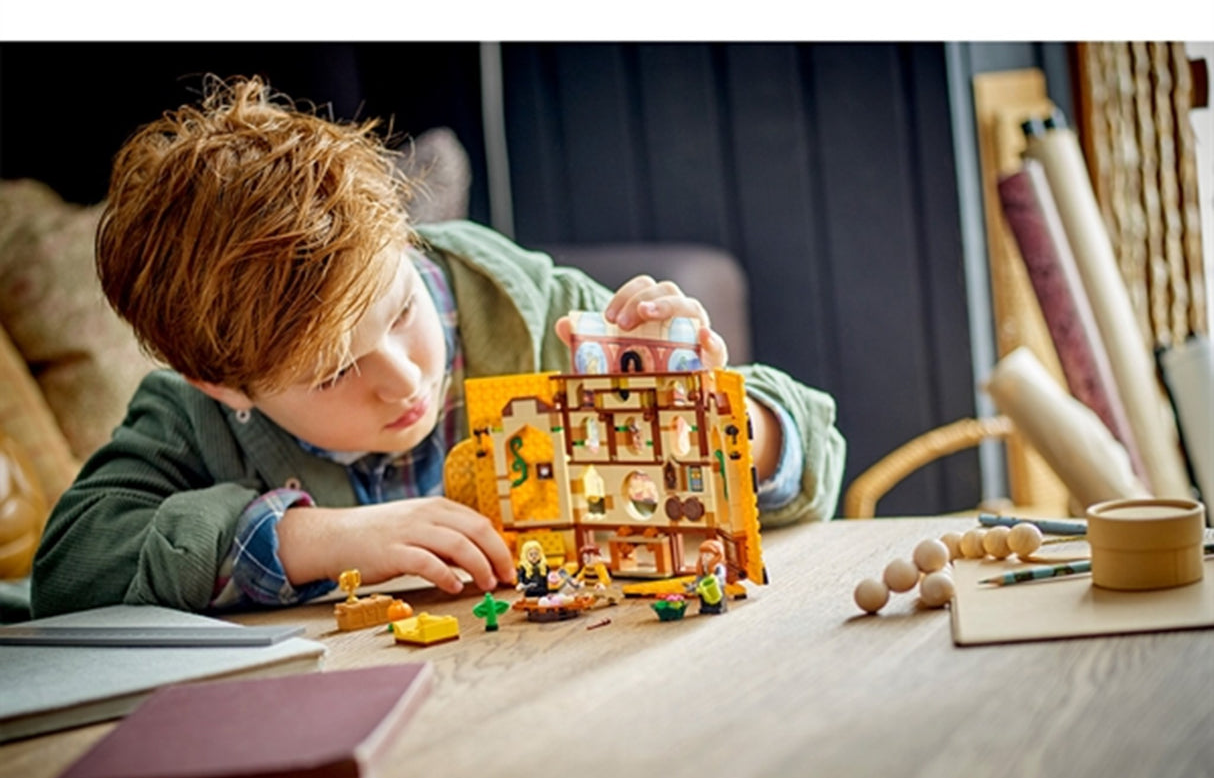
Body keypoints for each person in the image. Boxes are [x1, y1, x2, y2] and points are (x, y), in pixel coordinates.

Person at [31, 77, 847, 618]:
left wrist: (710, 418)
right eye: (333, 372)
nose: (403, 380)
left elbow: (818, 453)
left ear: (404, 240)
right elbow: (67, 573)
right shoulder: (189, 415)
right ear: (226, 388)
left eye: (398, 312)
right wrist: (311, 539)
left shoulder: (529, 313)